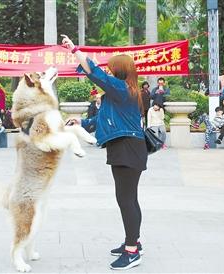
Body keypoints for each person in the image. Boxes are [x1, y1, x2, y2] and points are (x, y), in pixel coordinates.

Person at [62, 34, 147, 270]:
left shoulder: (121, 88)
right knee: (129, 199)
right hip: (128, 148)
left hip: (127, 149)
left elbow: (95, 74)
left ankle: (132, 252)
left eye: (111, 70)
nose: (108, 72)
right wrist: (81, 122)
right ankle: (134, 242)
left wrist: (75, 50)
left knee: (125, 200)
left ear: (119, 71)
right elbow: (102, 118)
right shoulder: (120, 92)